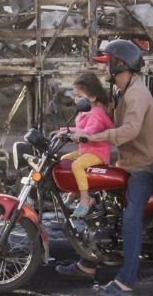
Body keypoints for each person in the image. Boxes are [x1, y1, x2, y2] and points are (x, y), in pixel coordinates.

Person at [55, 39, 153, 296]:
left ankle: (126, 281)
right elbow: (99, 119)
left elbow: (129, 130)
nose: (105, 70)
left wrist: (93, 138)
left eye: (108, 64)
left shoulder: (137, 93)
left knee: (130, 218)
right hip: (124, 164)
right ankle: (88, 264)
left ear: (120, 64)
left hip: (142, 167)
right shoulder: (120, 91)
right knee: (103, 211)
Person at [60, 72, 115, 218]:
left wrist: (74, 134)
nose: (76, 99)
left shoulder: (97, 113)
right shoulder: (85, 111)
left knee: (76, 165)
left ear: (92, 97)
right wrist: (62, 131)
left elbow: (89, 132)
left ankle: (85, 199)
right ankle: (75, 190)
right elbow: (80, 130)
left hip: (98, 153)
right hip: (86, 151)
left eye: (79, 97)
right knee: (64, 160)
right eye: (75, 96)